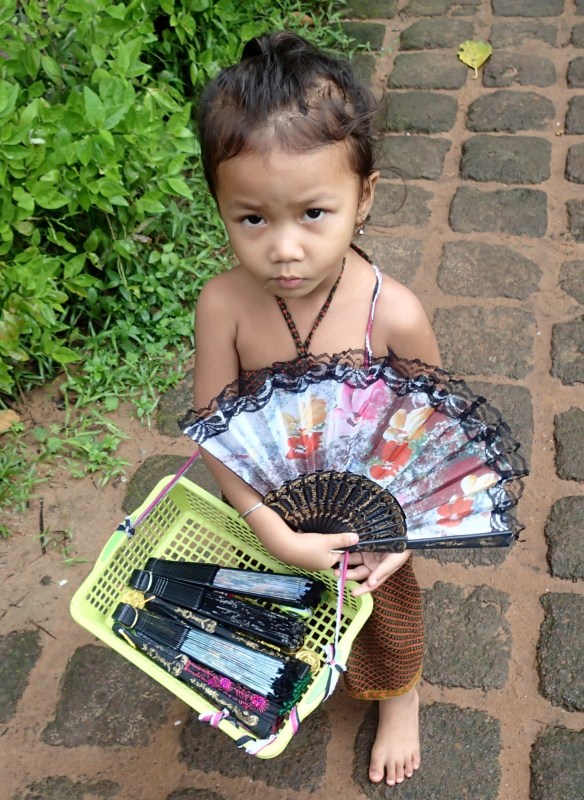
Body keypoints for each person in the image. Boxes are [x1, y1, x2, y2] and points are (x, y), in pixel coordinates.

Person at [192, 31, 441, 787]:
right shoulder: (223, 305)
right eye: (252, 219)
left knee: (386, 617)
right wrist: (264, 523)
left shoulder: (391, 313)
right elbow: (215, 432)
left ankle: (401, 696)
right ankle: (295, 671)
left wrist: (399, 532)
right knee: (281, 604)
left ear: (363, 197)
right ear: (220, 206)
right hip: (265, 506)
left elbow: (430, 433)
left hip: (371, 512)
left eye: (313, 212)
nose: (285, 249)